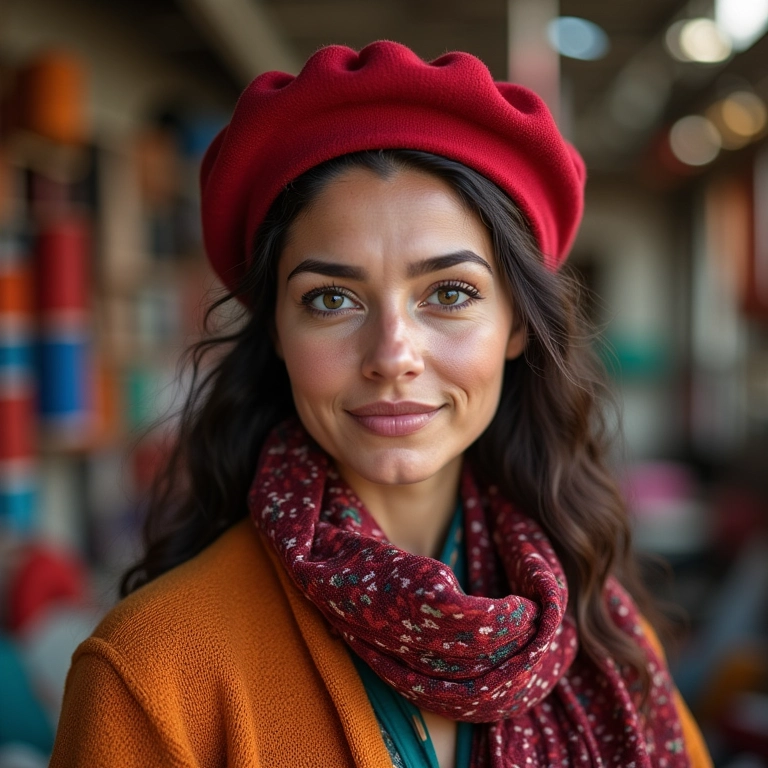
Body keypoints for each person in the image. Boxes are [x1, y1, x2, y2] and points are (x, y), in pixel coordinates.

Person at [50, 42, 713, 767]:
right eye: (331, 299)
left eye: (450, 293)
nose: (394, 354)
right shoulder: (150, 672)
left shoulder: (600, 632)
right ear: (276, 331)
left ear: (517, 325)